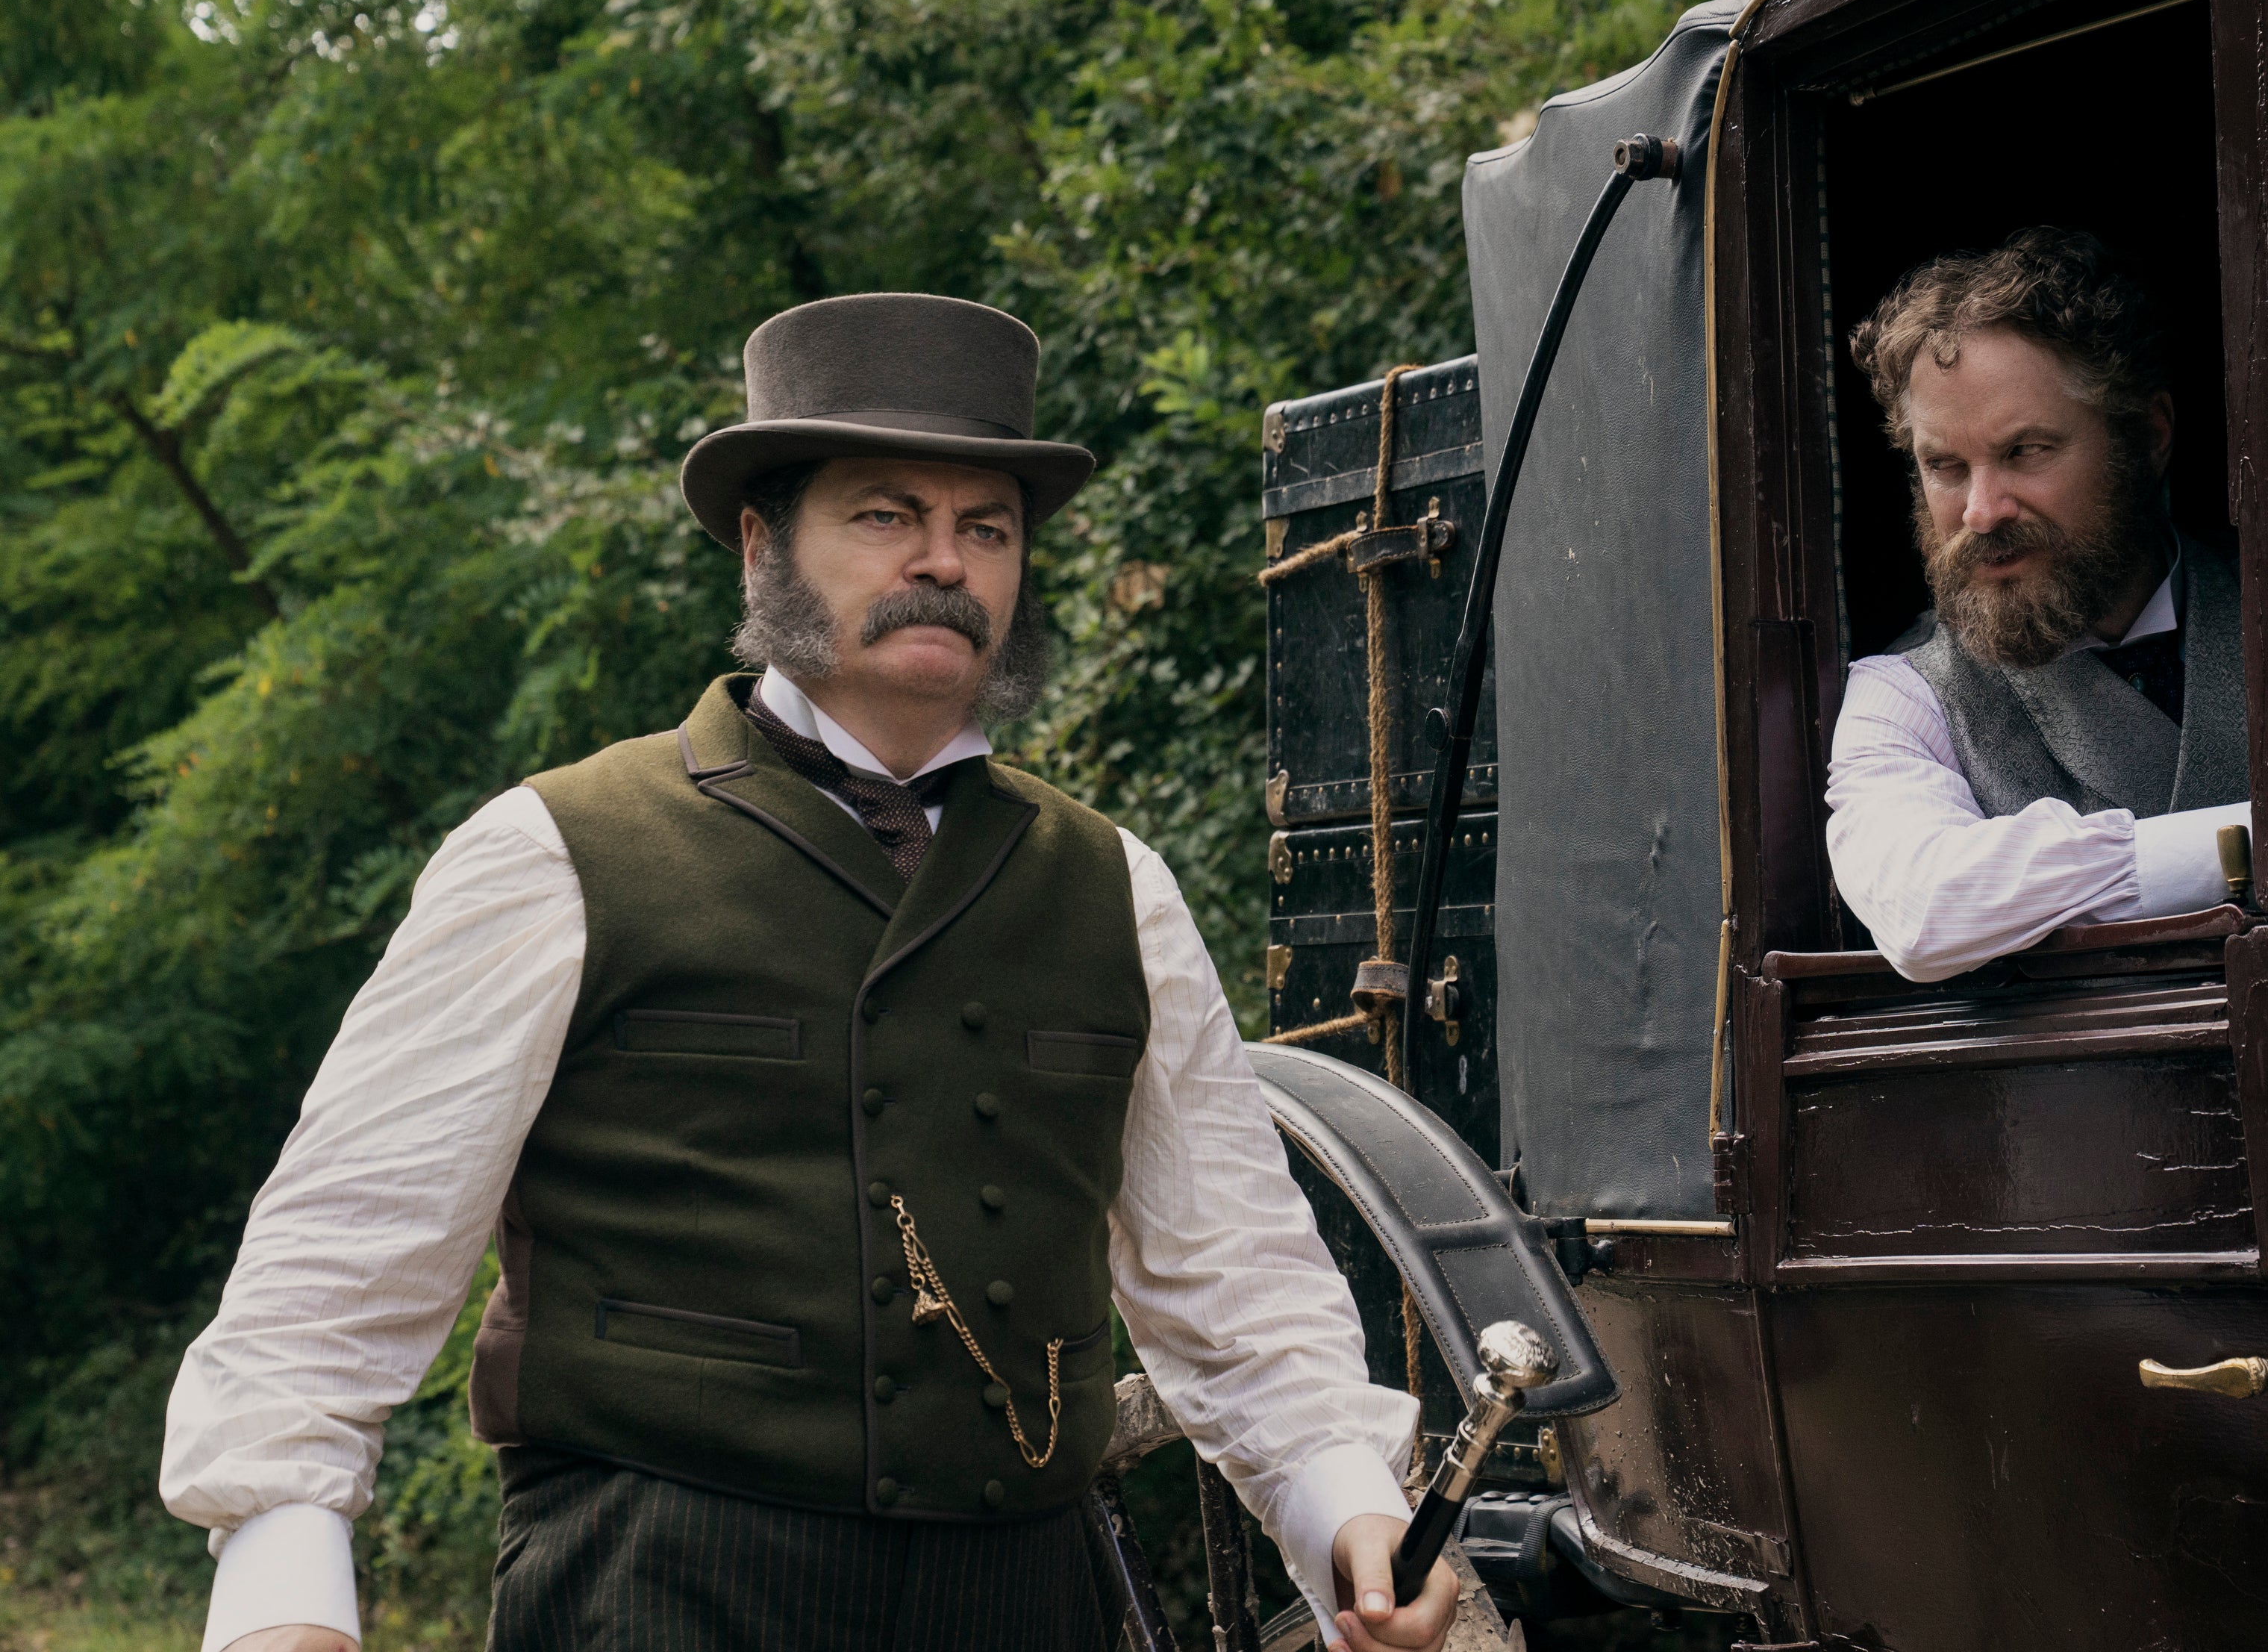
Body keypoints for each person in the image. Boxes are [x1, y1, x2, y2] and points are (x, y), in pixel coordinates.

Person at [160, 294, 1457, 1652]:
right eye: (887, 515)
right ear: (761, 544)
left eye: (988, 529)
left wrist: (1346, 1511)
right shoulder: (556, 852)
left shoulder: (1115, 888)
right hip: (658, 1588)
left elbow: (1235, 1271)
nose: (944, 562)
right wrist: (284, 1599)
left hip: (1030, 1601)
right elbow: (343, 1249)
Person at [1826, 229, 2252, 982]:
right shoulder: (1900, 699)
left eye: (2025, 451)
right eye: (1945, 466)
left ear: (2148, 437)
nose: (1982, 510)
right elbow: (1928, 911)